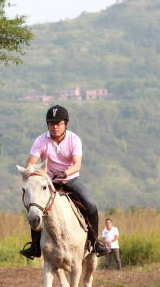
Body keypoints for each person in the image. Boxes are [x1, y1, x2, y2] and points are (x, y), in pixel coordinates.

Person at [19, 105, 111, 259]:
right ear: (47, 124)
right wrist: (33, 175)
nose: (55, 126)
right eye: (51, 123)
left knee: (91, 205)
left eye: (58, 123)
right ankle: (35, 246)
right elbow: (30, 163)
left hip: (71, 180)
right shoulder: (40, 140)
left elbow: (77, 164)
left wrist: (64, 173)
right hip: (48, 183)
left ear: (66, 124)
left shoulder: (74, 139)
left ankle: (95, 242)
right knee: (35, 207)